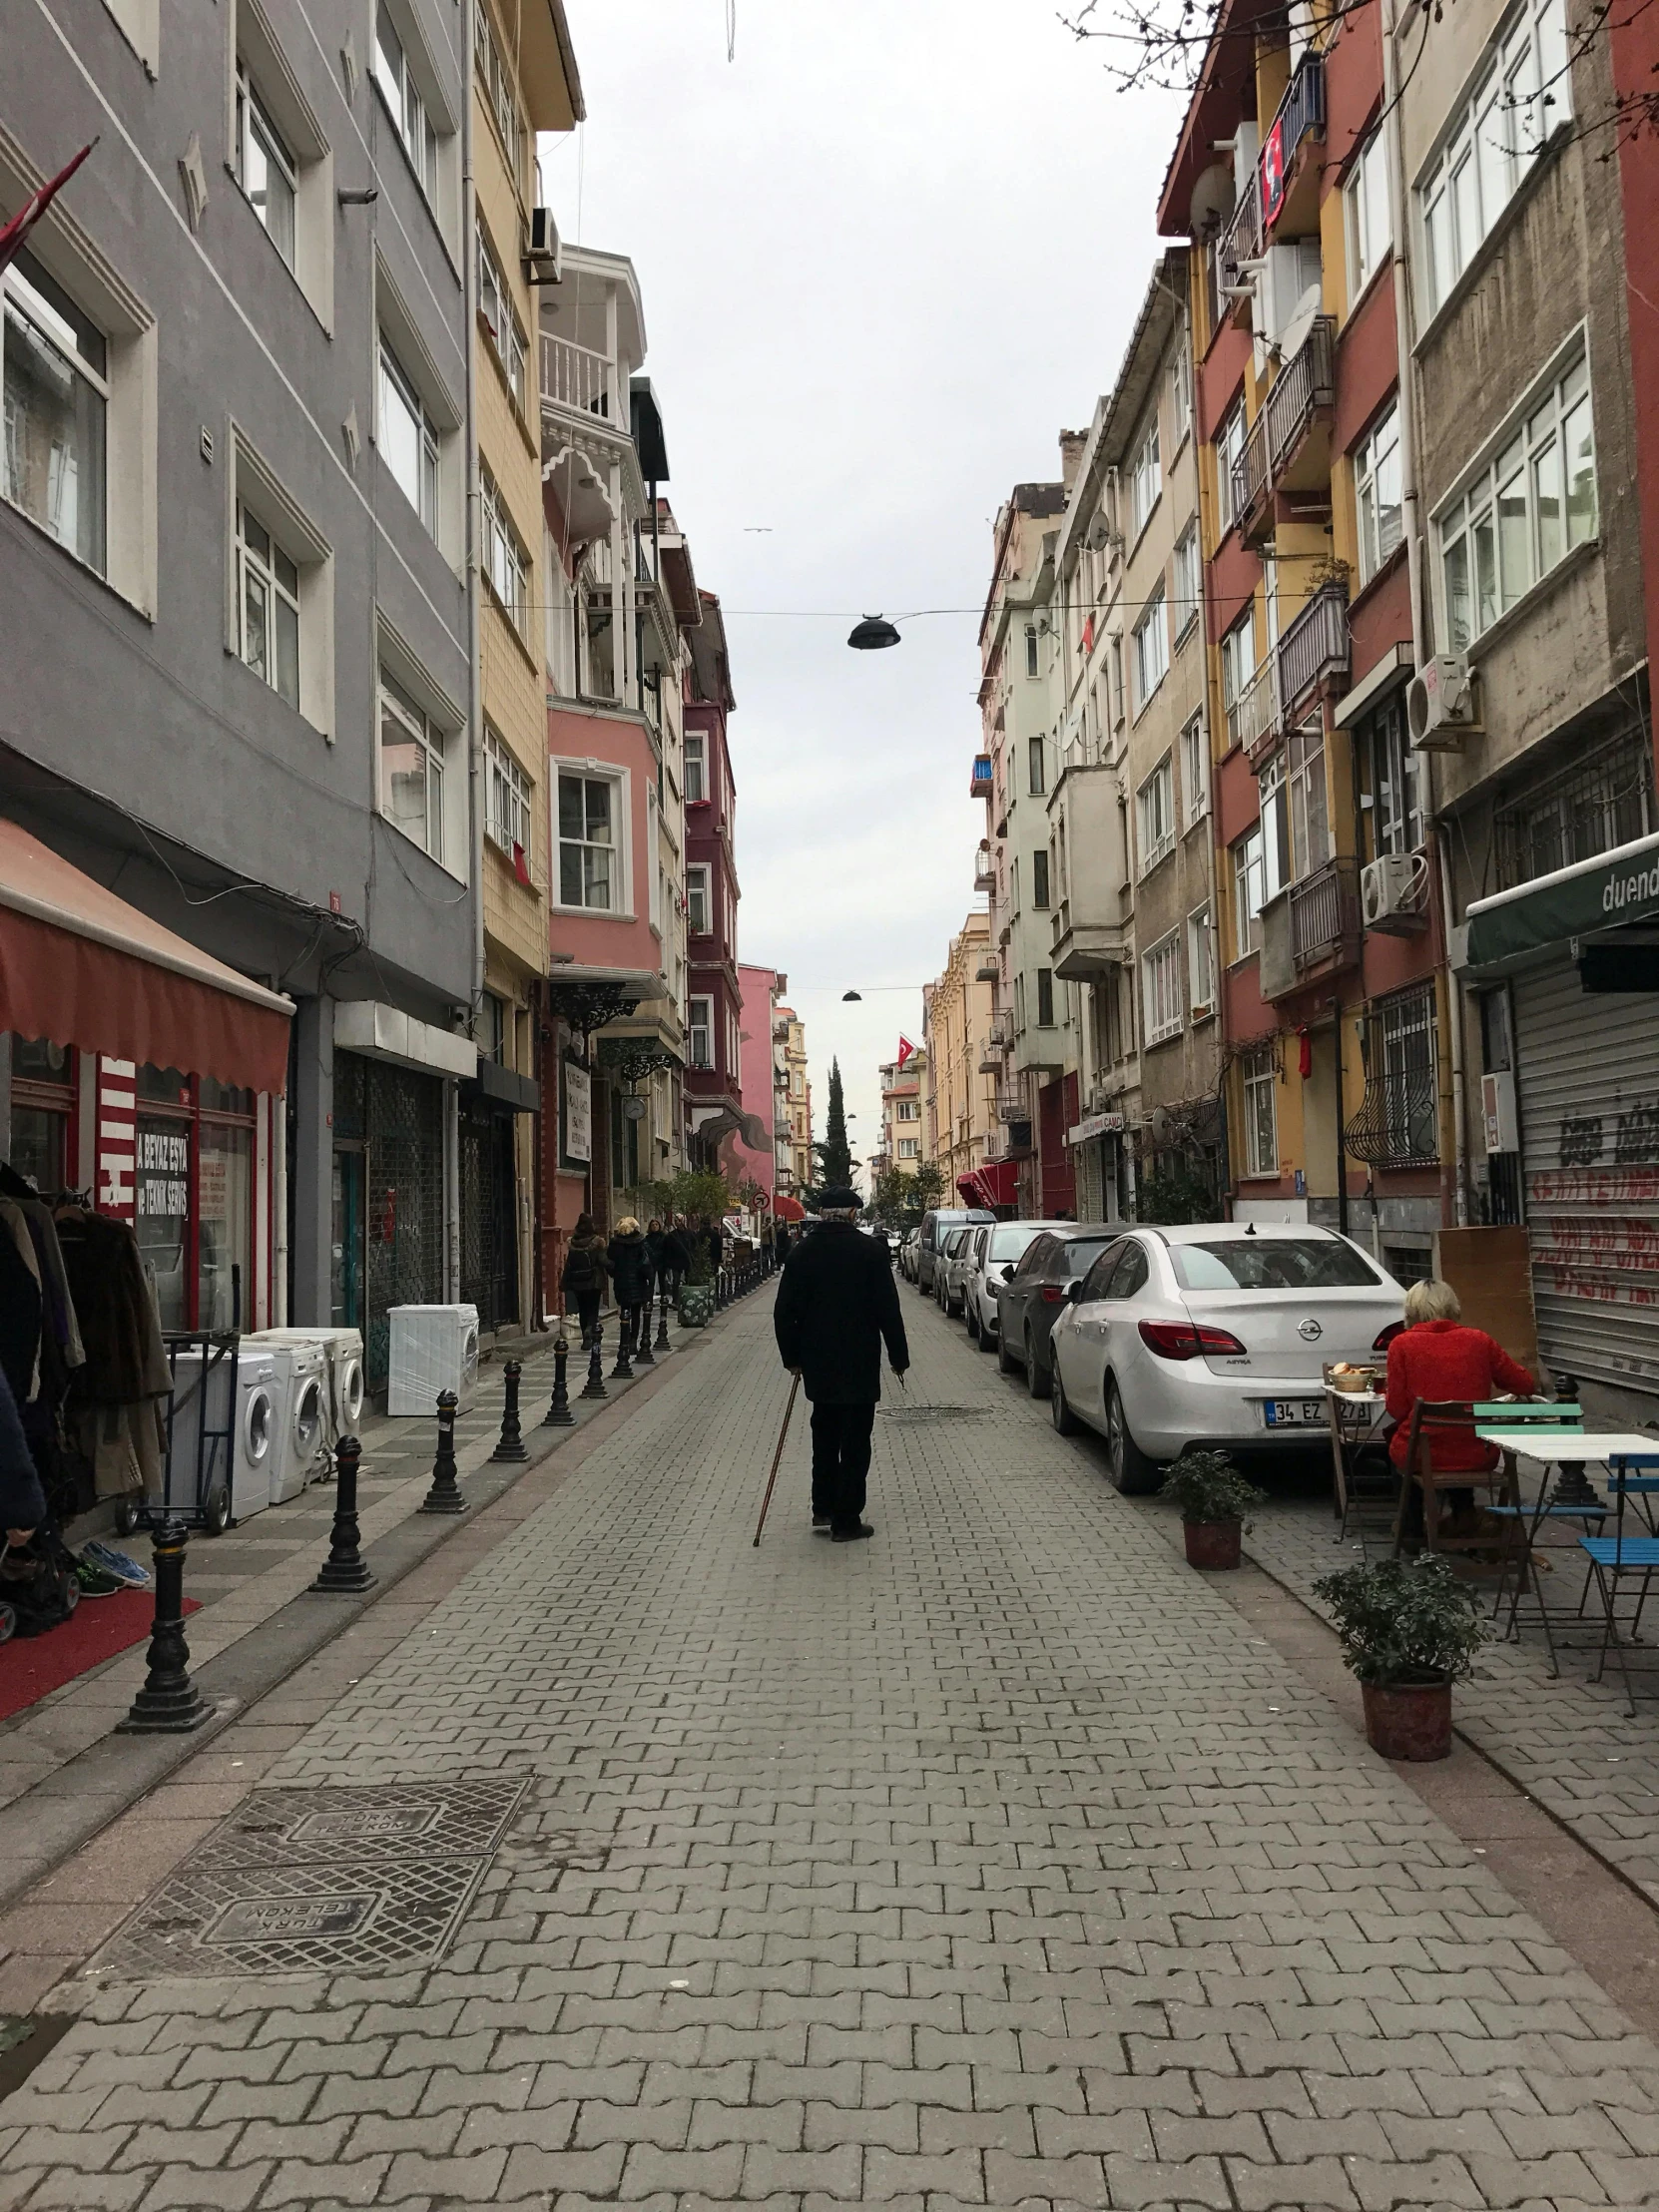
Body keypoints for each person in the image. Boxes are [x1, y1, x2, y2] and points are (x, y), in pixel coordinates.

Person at [774, 1186, 909, 1543]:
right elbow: (888, 1310)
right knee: (855, 1441)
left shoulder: (801, 1253)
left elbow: (785, 1311)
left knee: (825, 1432)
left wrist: (792, 1358)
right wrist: (899, 1357)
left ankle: (824, 1506)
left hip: (817, 1361)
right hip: (860, 1360)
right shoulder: (871, 1252)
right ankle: (847, 1520)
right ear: (852, 1213)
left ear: (821, 1213)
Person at [1385, 1278, 1536, 1534]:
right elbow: (1524, 1384)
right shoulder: (1479, 1340)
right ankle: (1463, 1515)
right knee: (1456, 1440)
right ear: (1452, 1306)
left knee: (1401, 1447)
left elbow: (1397, 1409)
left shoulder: (1401, 1344)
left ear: (1410, 1309)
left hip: (1423, 1453)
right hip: (1478, 1453)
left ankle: (1411, 1528)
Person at [561, 1215, 611, 1349]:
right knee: (593, 1309)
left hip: (578, 1281)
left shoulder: (573, 1242)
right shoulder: (597, 1242)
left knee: (582, 1309)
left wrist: (564, 1282)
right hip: (594, 1281)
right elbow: (603, 1260)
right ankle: (591, 1329)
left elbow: (569, 1264)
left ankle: (585, 1338)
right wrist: (614, 1266)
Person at [608, 1217, 654, 1353]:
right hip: (638, 1283)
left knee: (624, 1311)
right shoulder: (640, 1242)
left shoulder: (615, 1244)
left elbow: (609, 1262)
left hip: (621, 1282)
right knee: (636, 1313)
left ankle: (625, 1340)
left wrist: (615, 1274)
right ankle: (633, 1341)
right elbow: (649, 1260)